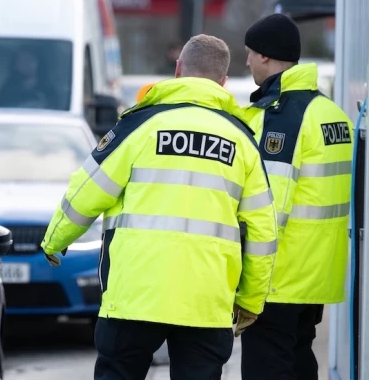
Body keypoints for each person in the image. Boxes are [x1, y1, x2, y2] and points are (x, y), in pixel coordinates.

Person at [41, 34, 278, 380]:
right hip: (206, 300)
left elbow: (87, 191)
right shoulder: (242, 141)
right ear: (223, 83)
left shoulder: (140, 126)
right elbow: (262, 230)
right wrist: (251, 300)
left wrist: (54, 241)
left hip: (134, 293)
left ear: (179, 69)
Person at [239, 13, 354, 379]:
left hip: (279, 276)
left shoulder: (283, 118)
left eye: (250, 54)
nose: (247, 61)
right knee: (300, 359)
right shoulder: (330, 112)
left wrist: (249, 283)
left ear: (267, 57)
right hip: (316, 272)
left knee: (267, 366)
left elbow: (269, 208)